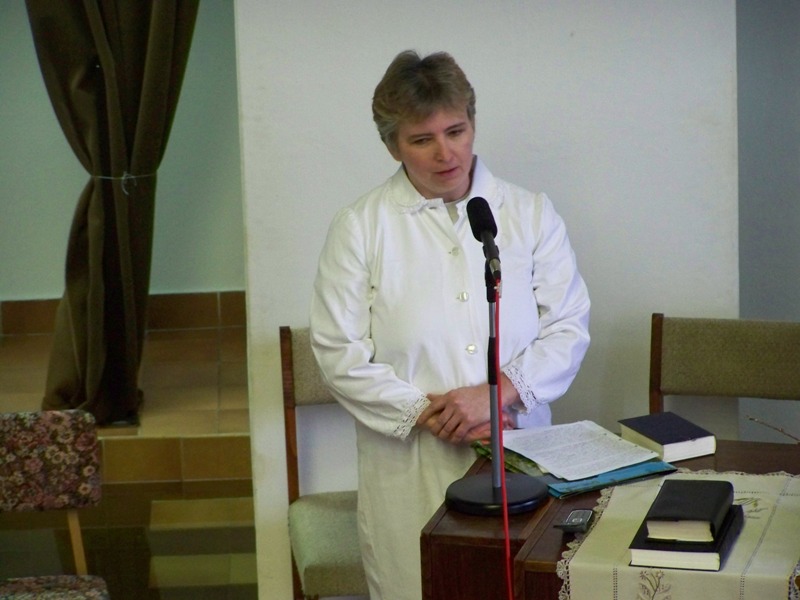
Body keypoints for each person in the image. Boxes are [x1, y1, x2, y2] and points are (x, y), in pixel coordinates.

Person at [309, 50, 590, 600]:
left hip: (520, 451)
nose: (446, 152)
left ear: (473, 123)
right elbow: (338, 352)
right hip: (410, 469)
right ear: (393, 146)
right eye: (422, 139)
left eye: (456, 131)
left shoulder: (529, 213)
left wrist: (497, 393)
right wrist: (435, 414)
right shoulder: (360, 227)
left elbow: (568, 326)